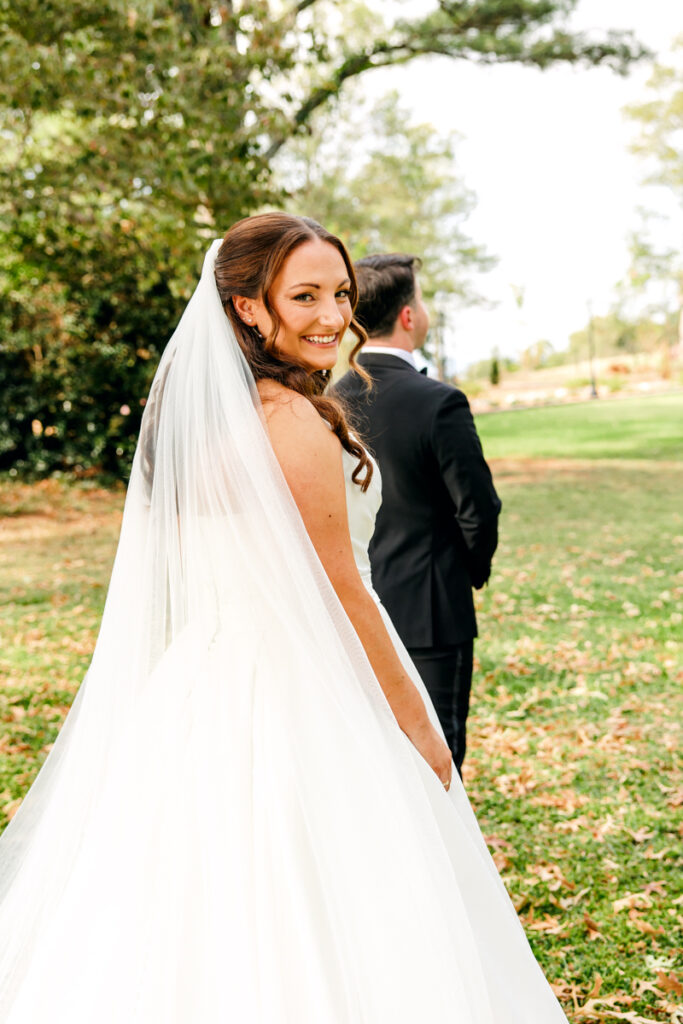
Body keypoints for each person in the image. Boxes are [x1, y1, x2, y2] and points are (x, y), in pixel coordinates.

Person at [0, 214, 567, 1023]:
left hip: (204, 675)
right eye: (303, 296)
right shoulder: (290, 419)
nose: (334, 317)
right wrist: (418, 726)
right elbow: (340, 588)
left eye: (339, 293)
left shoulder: (199, 422)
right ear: (246, 308)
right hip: (301, 680)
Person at [335, 253, 501, 773]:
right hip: (433, 613)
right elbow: (478, 509)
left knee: (374, 756)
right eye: (422, 299)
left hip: (351, 611)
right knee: (439, 753)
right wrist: (465, 574)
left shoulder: (328, 403)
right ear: (409, 316)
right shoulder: (440, 402)